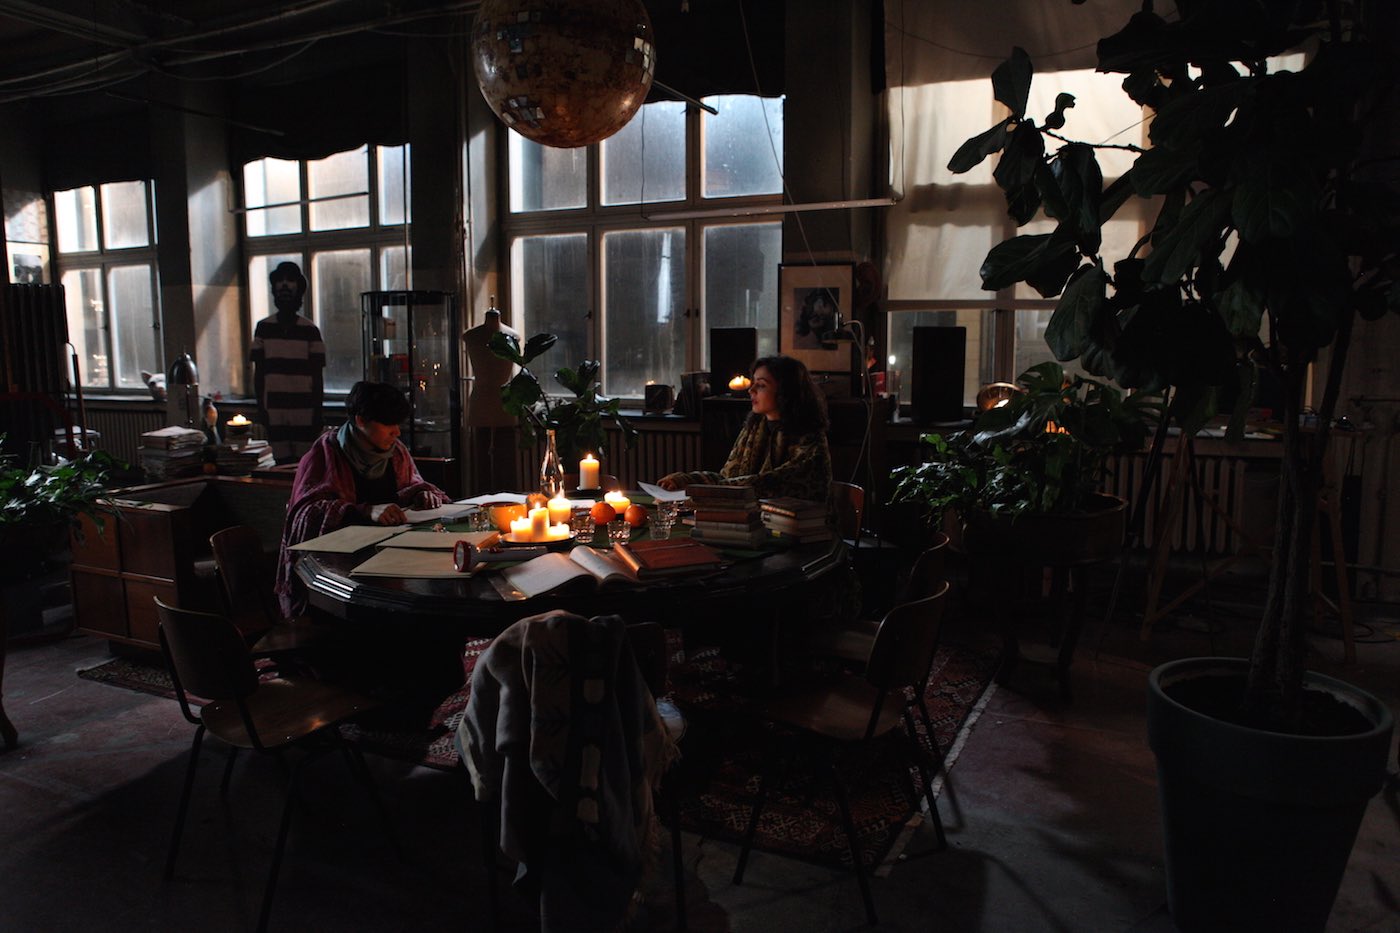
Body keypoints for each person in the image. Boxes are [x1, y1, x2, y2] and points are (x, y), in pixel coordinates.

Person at [274, 381, 448, 617]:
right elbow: (305, 516)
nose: (397, 432)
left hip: (394, 558)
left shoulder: (396, 452)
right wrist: (366, 511)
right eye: (388, 424)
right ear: (361, 420)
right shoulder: (325, 454)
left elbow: (411, 485)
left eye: (397, 424)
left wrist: (421, 494)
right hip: (342, 569)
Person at [657, 354, 832, 500]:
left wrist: (704, 488)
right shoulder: (754, 429)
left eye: (761, 385)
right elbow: (727, 478)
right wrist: (684, 480)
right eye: (753, 382)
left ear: (785, 391)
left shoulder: (808, 434)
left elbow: (777, 483)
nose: (751, 390)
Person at [251, 261, 326, 464]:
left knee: (304, 466)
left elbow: (317, 376)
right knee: (280, 465)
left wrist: (317, 413)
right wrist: (261, 409)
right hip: (274, 411)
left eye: (290, 280)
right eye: (280, 280)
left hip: (305, 411)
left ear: (299, 288)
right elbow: (259, 373)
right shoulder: (263, 328)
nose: (284, 285)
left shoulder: (310, 330)